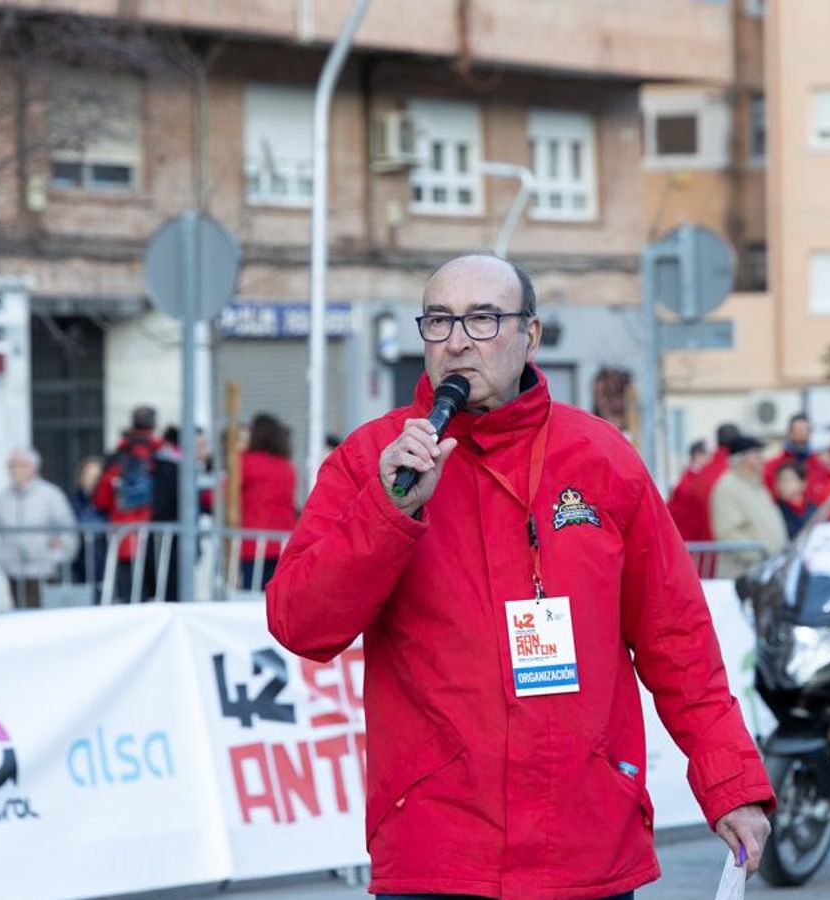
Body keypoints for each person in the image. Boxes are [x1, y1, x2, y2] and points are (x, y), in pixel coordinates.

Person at [268, 255, 773, 899]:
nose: (456, 340)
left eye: (483, 319)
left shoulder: (601, 458)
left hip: (586, 843)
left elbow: (678, 638)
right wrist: (388, 510)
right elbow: (300, 623)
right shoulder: (373, 459)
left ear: (529, 336)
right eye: (440, 321)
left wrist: (729, 784)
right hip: (439, 847)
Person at [0, 448, 78, 610]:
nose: (15, 470)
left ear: (33, 467)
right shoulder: (2, 499)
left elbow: (67, 530)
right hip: (14, 572)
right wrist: (3, 560)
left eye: (20, 465)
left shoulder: (51, 495)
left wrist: (55, 558)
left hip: (44, 573)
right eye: (12, 466)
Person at [94, 406, 167, 600]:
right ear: (154, 425)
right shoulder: (163, 455)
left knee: (129, 601)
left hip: (123, 538)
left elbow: (101, 498)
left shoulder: (118, 455)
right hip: (158, 540)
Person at [708, 434, 788, 577]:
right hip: (743, 574)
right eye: (756, 454)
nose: (761, 459)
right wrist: (759, 555)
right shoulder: (727, 487)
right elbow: (727, 532)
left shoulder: (756, 485)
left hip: (766, 571)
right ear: (741, 458)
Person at [239, 413, 298, 591]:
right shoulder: (287, 467)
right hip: (283, 542)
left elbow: (224, 494)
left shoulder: (247, 463)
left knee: (249, 598)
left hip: (254, 543)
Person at [666, 423, 739, 542]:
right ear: (697, 456)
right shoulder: (689, 482)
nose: (710, 457)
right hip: (696, 542)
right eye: (707, 454)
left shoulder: (693, 477)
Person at [763, 413, 830, 501]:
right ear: (789, 433)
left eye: (805, 430)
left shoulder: (821, 468)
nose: (802, 435)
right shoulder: (772, 467)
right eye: (797, 431)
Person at [70, 455, 108, 590]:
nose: (93, 480)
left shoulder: (109, 503)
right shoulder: (73, 503)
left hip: (105, 567)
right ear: (81, 477)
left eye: (97, 476)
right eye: (89, 475)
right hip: (80, 567)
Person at [773, 461, 811, 538]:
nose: (781, 485)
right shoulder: (775, 510)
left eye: (787, 480)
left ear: (803, 483)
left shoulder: (813, 509)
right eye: (779, 480)